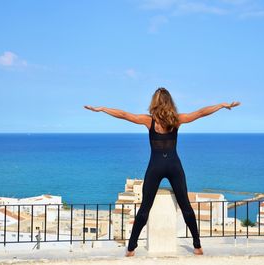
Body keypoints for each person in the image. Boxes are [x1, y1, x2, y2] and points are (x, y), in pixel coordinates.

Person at [84, 87, 240, 257]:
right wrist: (222, 105)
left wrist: (102, 109)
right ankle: (197, 246)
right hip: (174, 166)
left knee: (144, 208)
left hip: (155, 167)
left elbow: (123, 114)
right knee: (186, 207)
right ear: (170, 102)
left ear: (154, 103)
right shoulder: (177, 120)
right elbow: (201, 112)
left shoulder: (149, 121)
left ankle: (130, 248)